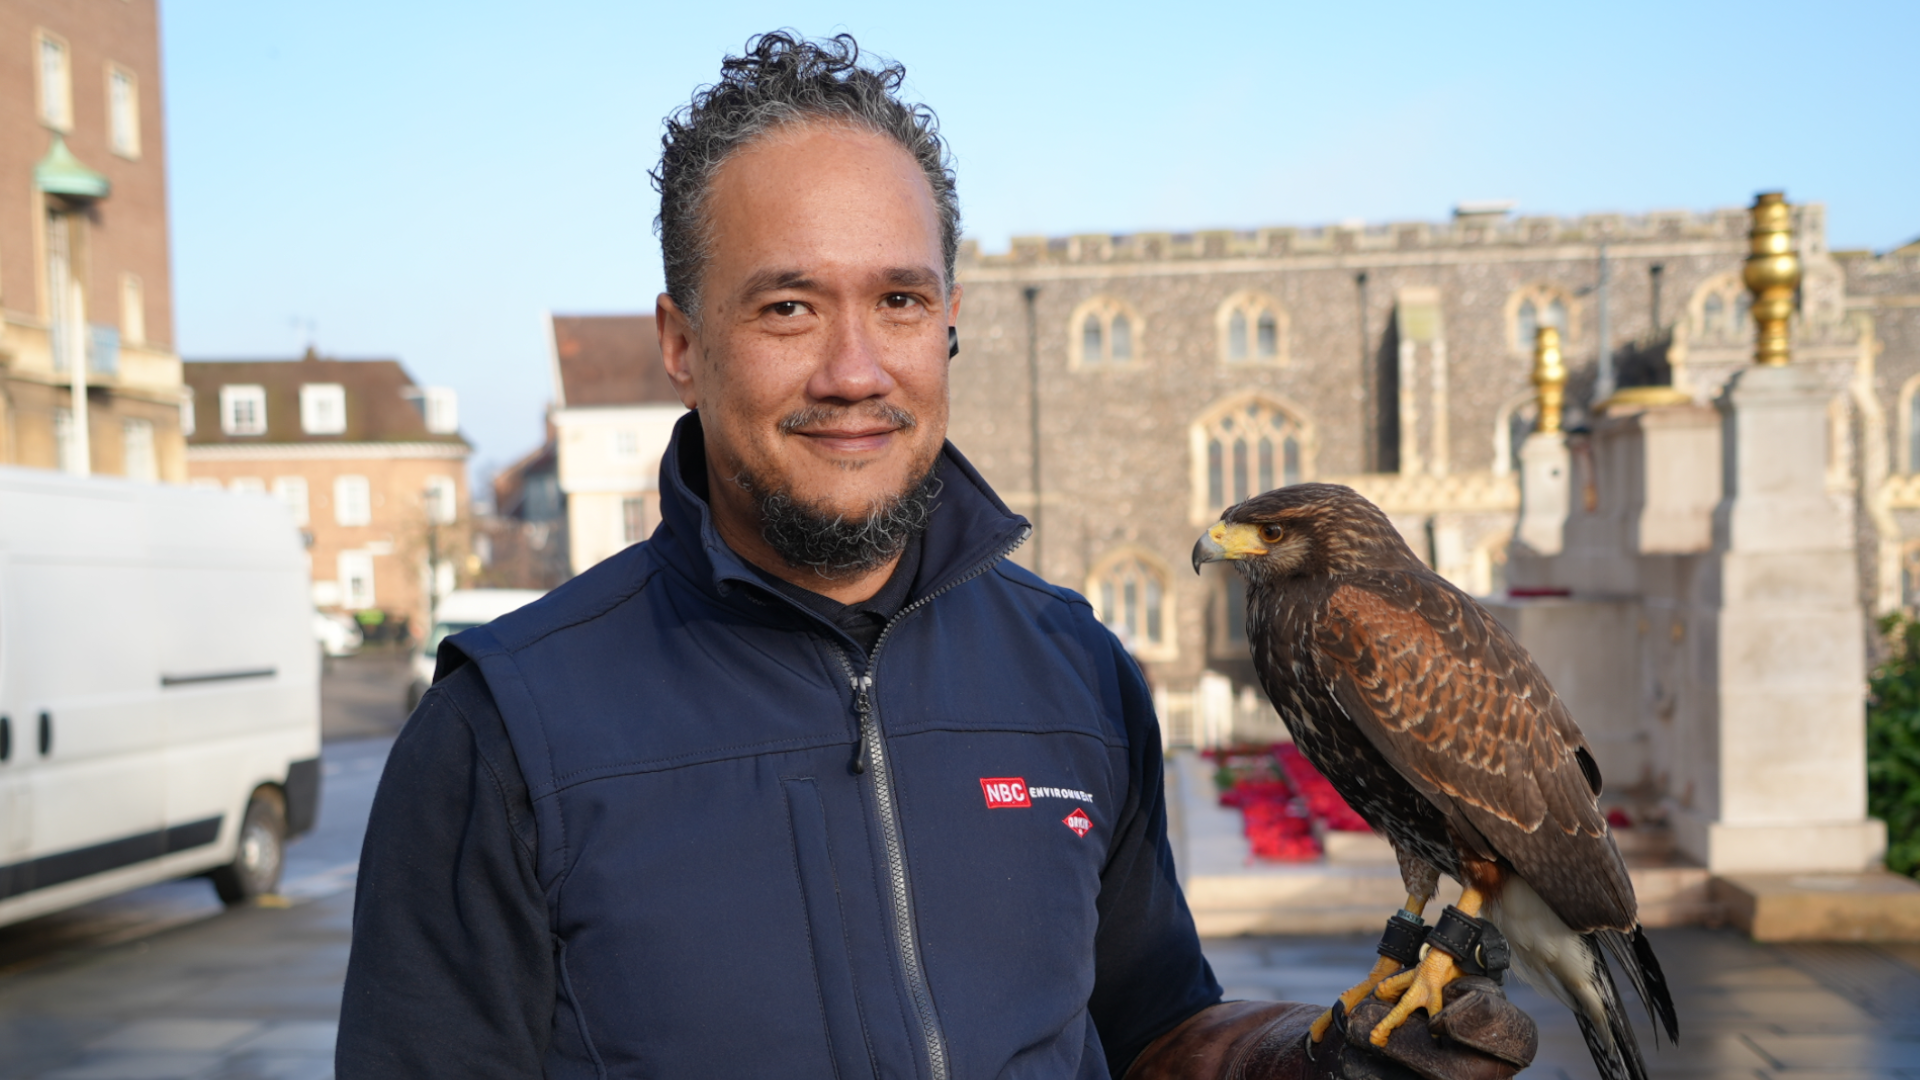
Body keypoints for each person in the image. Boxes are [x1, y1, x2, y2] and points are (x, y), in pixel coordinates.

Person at [336, 31, 1536, 1080]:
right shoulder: (504, 732)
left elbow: (1148, 1035)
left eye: (901, 302)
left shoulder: (1079, 674)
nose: (857, 370)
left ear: (949, 319)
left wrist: (1303, 1066)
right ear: (682, 343)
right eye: (789, 308)